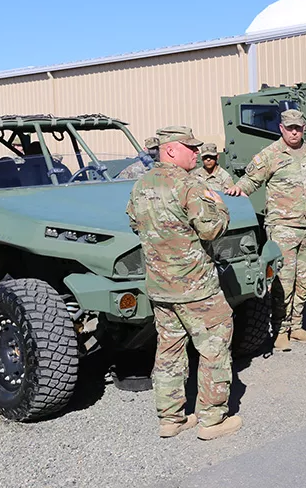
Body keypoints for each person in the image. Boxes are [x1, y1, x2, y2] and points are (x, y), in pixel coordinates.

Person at [126, 126, 241, 441]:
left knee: (169, 350)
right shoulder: (188, 185)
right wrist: (220, 205)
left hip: (161, 287)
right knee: (215, 346)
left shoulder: (140, 185)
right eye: (190, 148)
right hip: (196, 288)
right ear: (171, 150)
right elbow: (211, 229)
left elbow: (135, 223)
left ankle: (171, 419)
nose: (197, 152)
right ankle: (212, 420)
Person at [225, 109, 306, 351]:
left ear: (304, 128)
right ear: (281, 129)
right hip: (283, 227)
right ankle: (280, 330)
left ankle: (296, 327)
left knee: (304, 280)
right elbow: (251, 180)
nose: (294, 132)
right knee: (283, 280)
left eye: (298, 128)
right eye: (290, 128)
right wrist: (237, 190)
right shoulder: (271, 154)